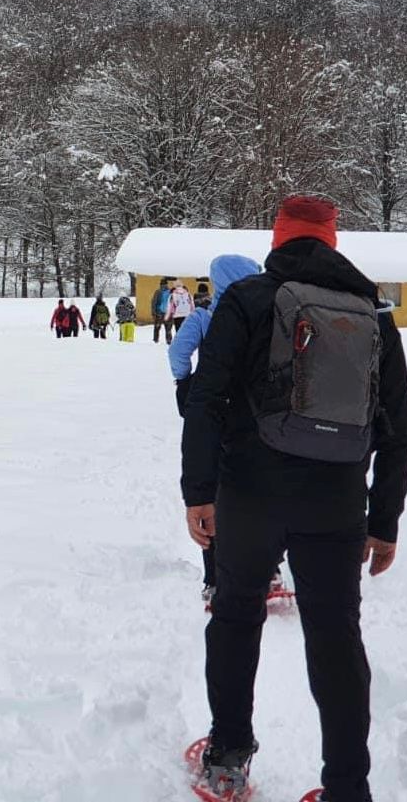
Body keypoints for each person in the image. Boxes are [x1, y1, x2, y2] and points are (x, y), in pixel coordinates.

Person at [181, 195, 407, 802]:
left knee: (236, 616)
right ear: (332, 241)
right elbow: (398, 429)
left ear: (278, 238)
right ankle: (346, 788)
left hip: (250, 495)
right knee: (336, 636)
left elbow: (206, 396)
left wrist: (199, 490)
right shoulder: (372, 313)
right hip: (336, 502)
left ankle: (228, 759)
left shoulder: (247, 299)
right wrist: (384, 520)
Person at [168, 254, 263, 605]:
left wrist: (184, 381)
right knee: (261, 491)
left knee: (217, 490)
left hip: (216, 412)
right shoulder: (267, 312)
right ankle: (268, 568)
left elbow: (178, 352)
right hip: (259, 416)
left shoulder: (205, 317)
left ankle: (214, 576)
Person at [152, 277, 174, 343]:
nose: (163, 285)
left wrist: (153, 312)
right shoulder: (167, 292)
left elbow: (154, 302)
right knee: (165, 328)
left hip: (163, 313)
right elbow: (154, 302)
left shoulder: (161, 292)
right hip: (164, 313)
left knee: (160, 328)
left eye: (163, 284)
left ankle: (158, 340)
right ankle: (166, 340)